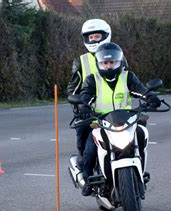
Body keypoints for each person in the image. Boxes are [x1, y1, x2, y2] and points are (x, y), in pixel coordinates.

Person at [78, 42, 161, 196]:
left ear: (119, 62)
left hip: (127, 121)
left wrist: (150, 97)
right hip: (100, 123)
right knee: (89, 150)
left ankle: (139, 174)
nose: (109, 66)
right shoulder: (92, 79)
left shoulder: (128, 76)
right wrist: (84, 107)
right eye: (105, 63)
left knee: (142, 134)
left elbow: (140, 90)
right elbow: (86, 97)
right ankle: (87, 179)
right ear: (98, 64)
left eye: (112, 62)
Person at [67, 19, 116, 167]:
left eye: (97, 36)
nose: (93, 40)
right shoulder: (81, 61)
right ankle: (86, 176)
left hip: (117, 116)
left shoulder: (117, 57)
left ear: (106, 35)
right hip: (90, 115)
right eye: (91, 37)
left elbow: (129, 82)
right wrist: (80, 110)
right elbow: (73, 89)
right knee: (86, 149)